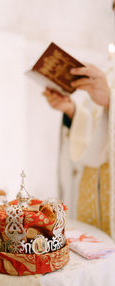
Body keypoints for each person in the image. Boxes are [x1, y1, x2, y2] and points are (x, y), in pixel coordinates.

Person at [43, 63, 115, 240]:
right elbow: (93, 138)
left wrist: (111, 101)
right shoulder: (107, 72)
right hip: (88, 186)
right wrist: (71, 111)